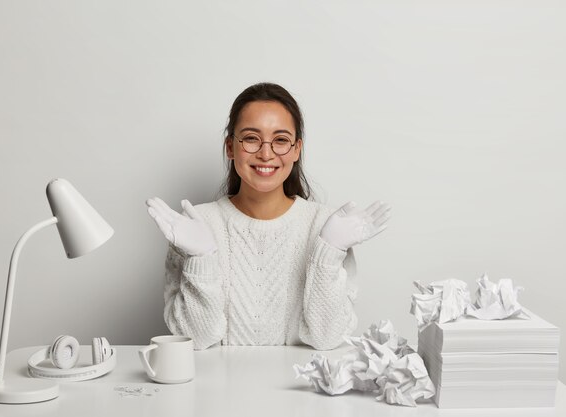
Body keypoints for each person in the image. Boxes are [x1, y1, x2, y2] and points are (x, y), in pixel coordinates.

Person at [146, 82, 390, 350]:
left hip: (301, 390)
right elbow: (196, 341)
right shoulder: (194, 225)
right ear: (231, 147)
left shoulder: (328, 228)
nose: (265, 153)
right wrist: (201, 260)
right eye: (251, 138)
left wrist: (328, 254)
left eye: (281, 140)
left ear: (297, 149)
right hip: (216, 390)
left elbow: (326, 339)